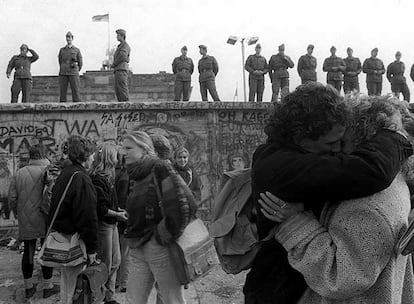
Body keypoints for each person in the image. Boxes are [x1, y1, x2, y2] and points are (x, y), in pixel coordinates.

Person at [243, 82, 413, 304]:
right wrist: (394, 137)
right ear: (301, 138)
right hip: (277, 288)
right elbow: (371, 170)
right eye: (332, 142)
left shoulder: (371, 202)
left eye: (341, 142)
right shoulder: (280, 167)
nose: (337, 150)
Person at [121, 131, 197, 304]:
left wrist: (163, 234)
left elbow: (187, 204)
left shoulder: (160, 167)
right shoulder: (136, 174)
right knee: (132, 299)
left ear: (144, 149)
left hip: (159, 247)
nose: (123, 152)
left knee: (172, 299)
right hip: (138, 245)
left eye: (128, 148)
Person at [48, 135, 98, 304]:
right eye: (91, 154)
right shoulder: (81, 178)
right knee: (76, 287)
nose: (93, 158)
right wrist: (92, 249)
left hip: (64, 237)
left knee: (67, 284)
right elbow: (87, 216)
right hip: (76, 241)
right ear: (84, 156)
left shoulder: (66, 173)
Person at [8, 145, 59, 299]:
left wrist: (19, 212)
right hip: (46, 217)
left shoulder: (19, 173)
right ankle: (48, 287)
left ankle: (29, 287)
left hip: (26, 218)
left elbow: (12, 198)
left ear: (30, 156)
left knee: (28, 252)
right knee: (46, 251)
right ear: (45, 154)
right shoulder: (52, 171)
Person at [90, 142, 127, 304]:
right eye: (115, 155)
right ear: (109, 157)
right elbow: (101, 209)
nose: (118, 158)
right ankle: (101, 296)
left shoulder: (108, 176)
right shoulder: (98, 179)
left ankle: (108, 296)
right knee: (106, 263)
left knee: (116, 261)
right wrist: (118, 214)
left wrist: (119, 211)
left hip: (112, 224)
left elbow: (109, 204)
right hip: (104, 226)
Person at [115, 152, 130, 293]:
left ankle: (118, 281)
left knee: (121, 252)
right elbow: (122, 202)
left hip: (120, 220)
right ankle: (123, 282)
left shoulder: (120, 174)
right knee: (125, 253)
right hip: (124, 220)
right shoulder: (125, 178)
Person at [58, 31, 83, 102]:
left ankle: (77, 107)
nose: (68, 39)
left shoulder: (76, 50)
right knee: (62, 91)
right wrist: (63, 67)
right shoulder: (62, 50)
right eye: (67, 37)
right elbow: (60, 60)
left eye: (70, 37)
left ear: (72, 38)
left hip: (73, 72)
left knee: (76, 91)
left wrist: (76, 70)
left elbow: (80, 62)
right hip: (63, 72)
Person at [111, 29, 131, 102]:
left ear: (122, 36)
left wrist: (114, 64)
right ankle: (121, 104)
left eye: (118, 35)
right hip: (118, 69)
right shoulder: (120, 46)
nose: (116, 37)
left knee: (122, 88)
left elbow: (122, 56)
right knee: (118, 89)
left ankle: (126, 105)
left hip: (121, 69)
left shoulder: (125, 46)